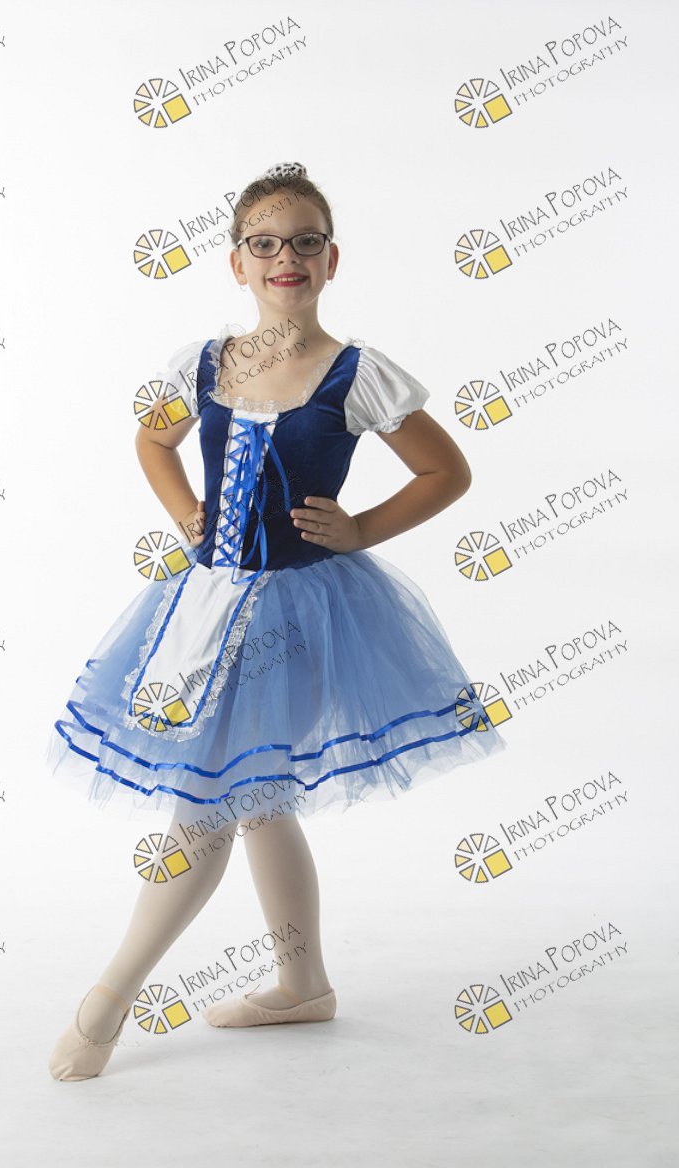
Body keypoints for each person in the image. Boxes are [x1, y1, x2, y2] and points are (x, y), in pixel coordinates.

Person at [46, 161, 507, 1081]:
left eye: (303, 242)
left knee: (208, 802)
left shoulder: (357, 373)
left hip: (299, 615)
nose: (283, 256)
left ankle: (107, 1001)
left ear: (331, 259)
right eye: (264, 243)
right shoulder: (206, 363)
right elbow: (152, 437)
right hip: (204, 606)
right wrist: (185, 511)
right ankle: (303, 983)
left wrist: (361, 528)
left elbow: (446, 472)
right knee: (258, 798)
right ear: (237, 263)